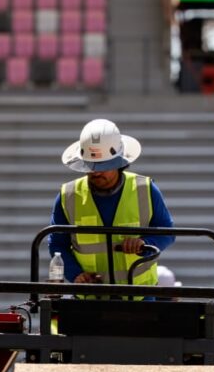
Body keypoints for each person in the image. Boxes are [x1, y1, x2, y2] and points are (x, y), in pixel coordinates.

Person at [48, 119, 175, 289]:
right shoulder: (68, 196)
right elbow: (57, 244)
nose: (96, 172)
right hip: (90, 297)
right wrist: (75, 274)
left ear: (119, 163)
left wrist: (145, 242)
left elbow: (167, 232)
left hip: (140, 296)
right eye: (91, 166)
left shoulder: (145, 189)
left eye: (103, 165)